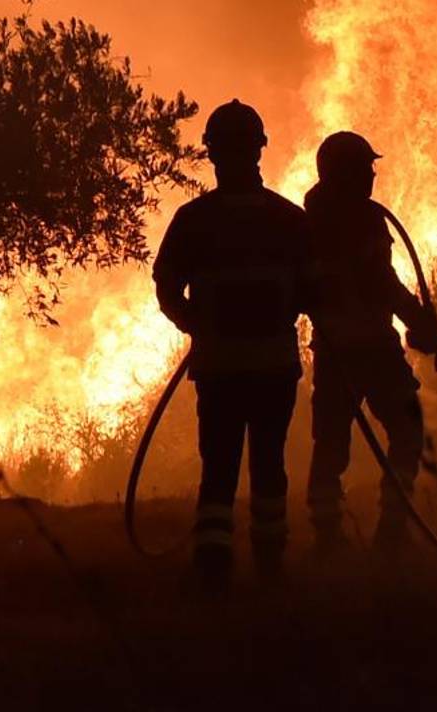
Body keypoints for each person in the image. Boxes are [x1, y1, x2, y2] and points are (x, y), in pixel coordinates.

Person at [152, 100, 311, 586]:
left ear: (213, 154)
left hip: (223, 367)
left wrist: (193, 322)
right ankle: (268, 562)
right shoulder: (288, 218)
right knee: (268, 464)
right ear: (258, 149)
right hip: (269, 366)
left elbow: (166, 286)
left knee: (219, 466)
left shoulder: (194, 220)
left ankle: (215, 565)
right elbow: (311, 291)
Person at [303, 132, 437, 552]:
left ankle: (327, 532)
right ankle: (392, 525)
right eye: (365, 168)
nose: (372, 175)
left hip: (334, 352)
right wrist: (420, 322)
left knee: (331, 443)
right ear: (343, 173)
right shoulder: (360, 221)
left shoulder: (309, 223)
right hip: (371, 349)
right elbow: (382, 283)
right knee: (406, 431)